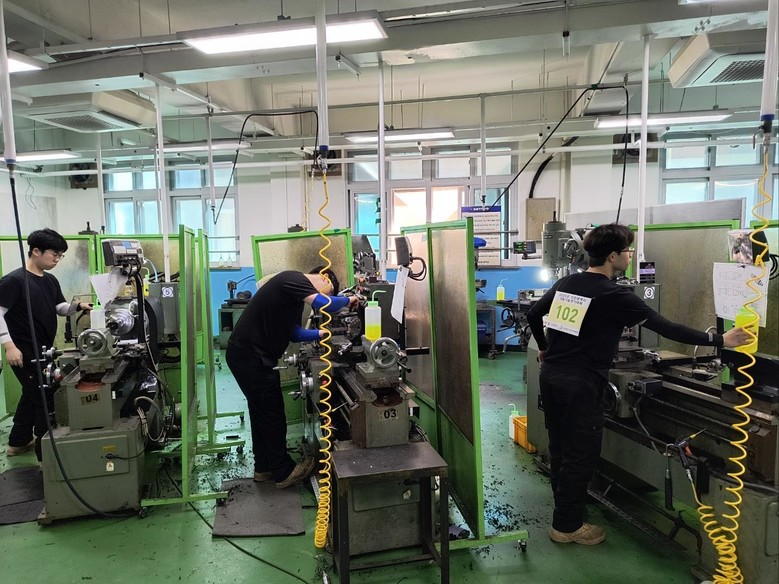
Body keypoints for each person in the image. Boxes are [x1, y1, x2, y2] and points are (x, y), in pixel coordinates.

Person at [526, 223, 750, 546]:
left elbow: (534, 314)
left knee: (560, 447)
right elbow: (666, 327)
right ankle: (566, 526)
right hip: (581, 384)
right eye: (627, 250)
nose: (630, 256)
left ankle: (566, 507)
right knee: (581, 454)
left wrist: (545, 348)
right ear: (612, 256)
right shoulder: (615, 295)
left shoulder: (568, 282)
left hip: (552, 378)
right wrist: (720, 340)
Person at [225, 267, 359, 489]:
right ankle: (283, 472)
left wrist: (322, 334)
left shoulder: (294, 298)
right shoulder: (293, 278)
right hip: (251, 356)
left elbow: (294, 333)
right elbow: (325, 304)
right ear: (324, 278)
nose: (326, 296)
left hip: (246, 355)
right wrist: (350, 299)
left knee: (260, 413)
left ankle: (264, 468)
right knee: (272, 414)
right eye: (330, 291)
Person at [0, 228, 92, 460]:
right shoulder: (14, 281)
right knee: (43, 397)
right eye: (54, 254)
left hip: (44, 349)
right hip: (23, 351)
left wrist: (77, 307)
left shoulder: (49, 279)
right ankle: (46, 457)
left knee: (31, 393)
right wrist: (9, 346)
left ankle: (18, 442)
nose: (58, 259)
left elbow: (59, 307)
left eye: (61, 255)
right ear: (36, 251)